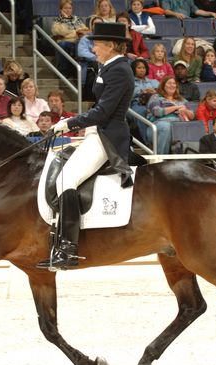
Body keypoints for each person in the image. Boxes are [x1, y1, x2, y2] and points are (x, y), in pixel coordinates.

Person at [36, 22, 135, 269]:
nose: (92, 47)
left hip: (107, 137)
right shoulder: (107, 67)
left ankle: (68, 248)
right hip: (95, 132)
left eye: (97, 44)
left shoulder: (120, 70)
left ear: (110, 46)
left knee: (65, 180)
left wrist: (69, 123)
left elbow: (103, 113)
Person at [146, 75, 195, 154]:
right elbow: (157, 112)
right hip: (158, 125)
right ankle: (161, 158)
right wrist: (176, 107)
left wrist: (185, 110)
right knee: (166, 127)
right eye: (169, 83)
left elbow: (192, 116)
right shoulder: (156, 97)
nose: (172, 85)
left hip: (178, 125)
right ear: (163, 85)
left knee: (191, 127)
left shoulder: (182, 99)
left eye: (174, 83)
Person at [51, 0, 88, 76]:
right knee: (62, 44)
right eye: (65, 8)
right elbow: (60, 32)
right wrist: (65, 19)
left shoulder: (77, 19)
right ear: (61, 9)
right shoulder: (58, 20)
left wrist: (69, 33)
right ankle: (63, 71)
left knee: (82, 44)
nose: (68, 10)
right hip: (65, 42)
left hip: (78, 42)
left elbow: (85, 30)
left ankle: (80, 73)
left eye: (70, 8)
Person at [130, 58, 158, 141]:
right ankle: (147, 141)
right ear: (133, 69)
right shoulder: (130, 82)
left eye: (143, 68)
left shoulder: (153, 82)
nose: (142, 70)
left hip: (154, 103)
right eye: (139, 68)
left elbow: (162, 92)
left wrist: (154, 91)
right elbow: (129, 95)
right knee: (143, 112)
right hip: (136, 104)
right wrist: (142, 91)